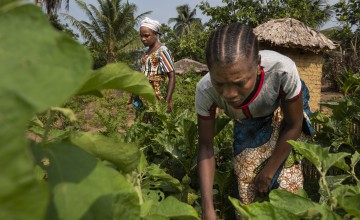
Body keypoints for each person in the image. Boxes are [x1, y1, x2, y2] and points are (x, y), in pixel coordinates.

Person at [195, 23, 315, 219]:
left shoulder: (281, 71)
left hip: (283, 114)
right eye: (220, 83)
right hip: (247, 122)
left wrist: (268, 172)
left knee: (286, 184)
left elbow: (294, 125)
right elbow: (206, 148)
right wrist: (207, 208)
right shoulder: (205, 90)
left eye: (239, 83)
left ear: (258, 65)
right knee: (246, 192)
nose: (229, 94)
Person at [136, 17, 176, 113]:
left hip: (157, 94)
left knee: (157, 121)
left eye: (146, 36)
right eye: (141, 36)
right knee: (144, 123)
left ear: (155, 35)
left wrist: (167, 101)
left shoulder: (163, 51)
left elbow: (172, 77)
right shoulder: (146, 52)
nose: (143, 39)